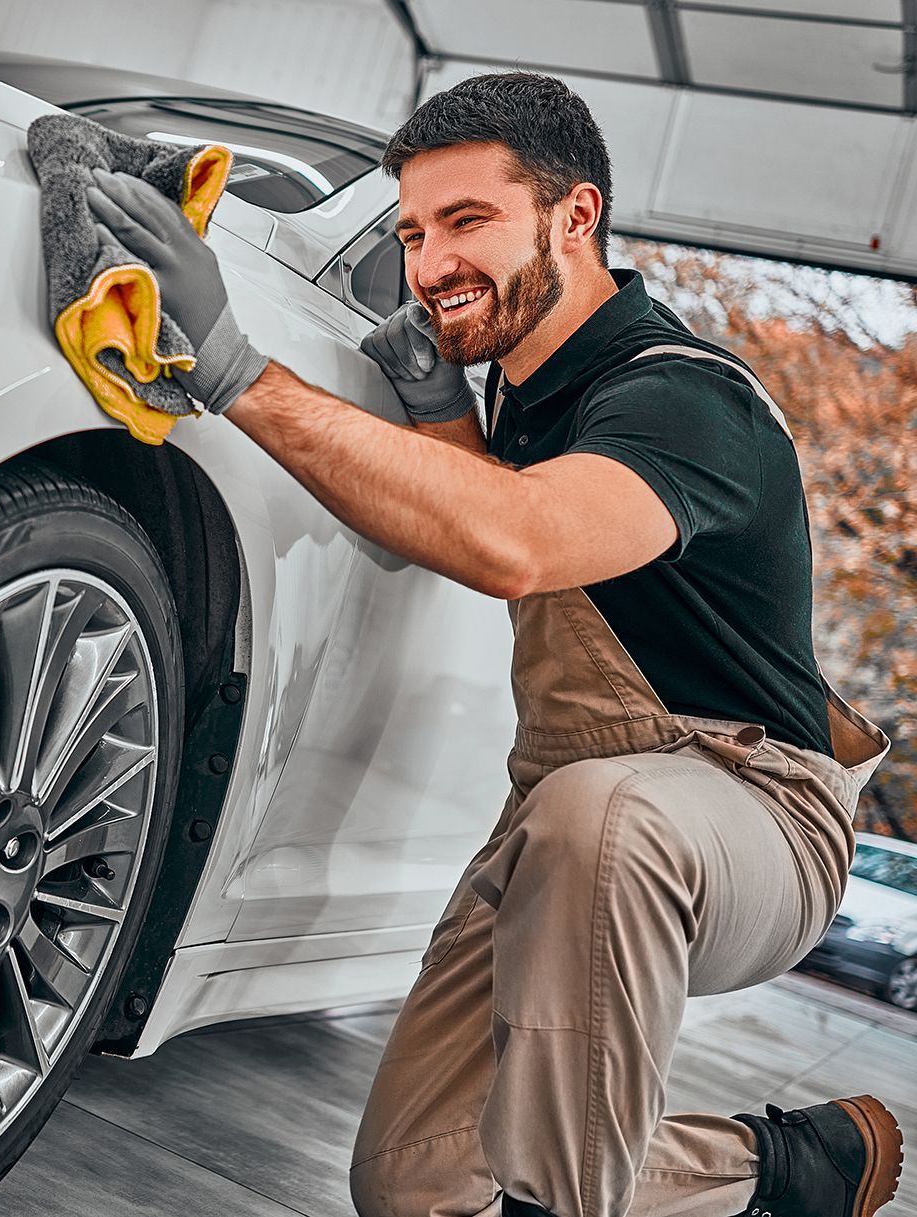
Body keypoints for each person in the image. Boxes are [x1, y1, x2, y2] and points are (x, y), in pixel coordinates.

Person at [85, 70, 901, 1217]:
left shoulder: (685, 400)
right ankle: (783, 1173)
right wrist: (448, 418)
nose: (429, 266)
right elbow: (514, 523)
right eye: (415, 231)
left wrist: (232, 370)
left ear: (577, 217)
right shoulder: (526, 384)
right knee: (417, 1184)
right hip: (570, 815)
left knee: (603, 819)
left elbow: (520, 543)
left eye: (469, 222)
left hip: (754, 816)